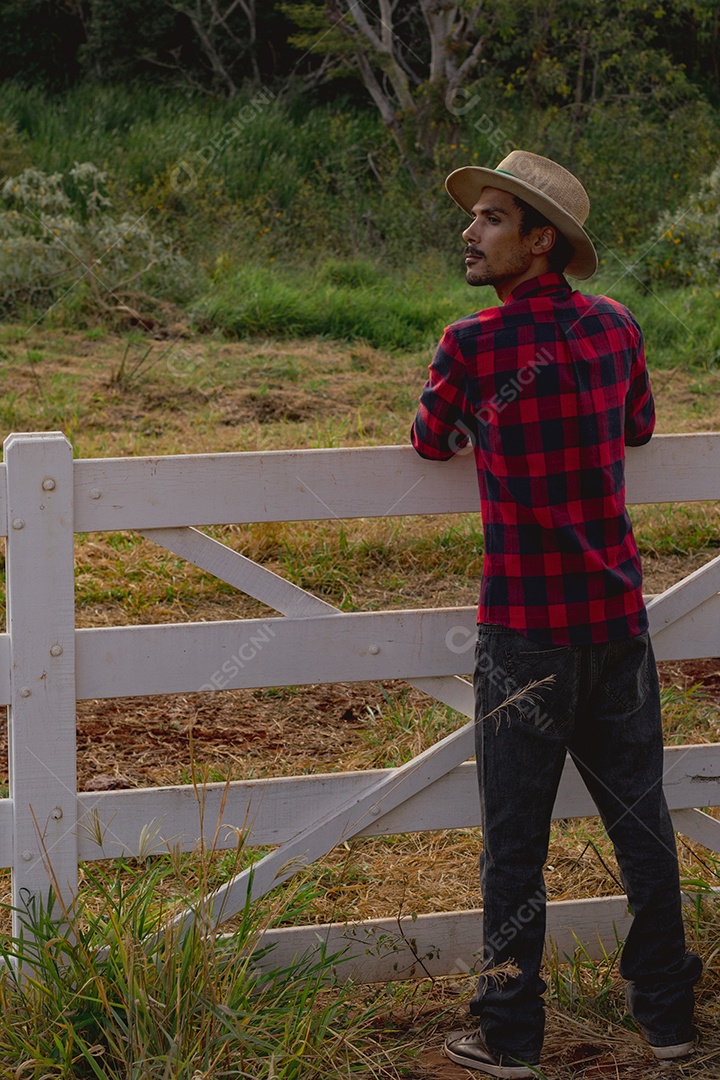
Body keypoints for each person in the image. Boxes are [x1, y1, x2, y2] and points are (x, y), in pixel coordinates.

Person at [411, 150, 702, 1078]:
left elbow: (429, 441)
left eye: (493, 219)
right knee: (641, 821)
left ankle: (510, 1033)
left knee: (514, 843)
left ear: (543, 242)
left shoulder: (473, 345)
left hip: (525, 629)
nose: (470, 231)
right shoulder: (617, 328)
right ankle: (668, 1017)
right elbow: (641, 427)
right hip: (616, 619)